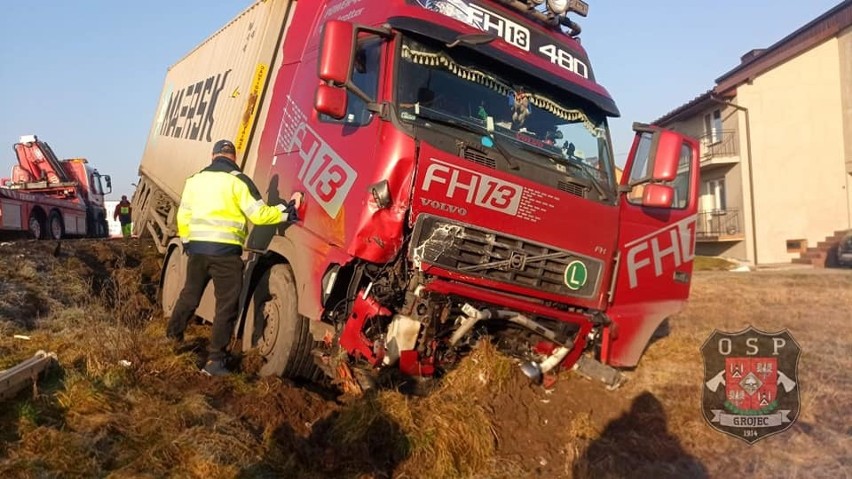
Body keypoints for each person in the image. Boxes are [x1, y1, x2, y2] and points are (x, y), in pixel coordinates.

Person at [165, 139, 302, 377]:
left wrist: (188, 241)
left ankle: (172, 338)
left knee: (189, 295)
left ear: (213, 155)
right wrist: (286, 211)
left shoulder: (195, 180)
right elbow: (259, 216)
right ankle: (215, 361)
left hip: (197, 250)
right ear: (233, 158)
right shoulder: (239, 181)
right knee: (226, 307)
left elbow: (184, 214)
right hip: (225, 254)